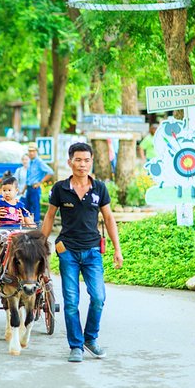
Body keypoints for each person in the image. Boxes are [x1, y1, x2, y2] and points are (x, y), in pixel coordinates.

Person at [41, 142, 123, 363]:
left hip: (92, 250)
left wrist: (117, 249)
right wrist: (41, 245)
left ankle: (90, 339)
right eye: (78, 160)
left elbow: (108, 218)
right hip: (67, 250)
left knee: (98, 297)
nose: (82, 164)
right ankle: (76, 345)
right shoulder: (60, 188)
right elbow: (49, 217)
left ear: (92, 162)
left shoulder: (99, 189)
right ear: (70, 162)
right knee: (70, 301)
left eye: (86, 160)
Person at [25, 142, 54, 225]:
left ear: (36, 151)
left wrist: (40, 182)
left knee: (35, 207)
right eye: (29, 151)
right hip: (29, 188)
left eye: (33, 151)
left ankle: (36, 225)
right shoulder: (30, 162)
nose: (31, 153)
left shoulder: (39, 162)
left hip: (35, 188)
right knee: (28, 208)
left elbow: (50, 172)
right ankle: (29, 225)